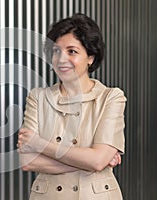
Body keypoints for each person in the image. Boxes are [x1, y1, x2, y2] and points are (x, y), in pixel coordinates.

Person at [17, 13, 126, 200]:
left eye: (72, 51)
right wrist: (90, 162)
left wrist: (39, 144)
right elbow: (28, 161)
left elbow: (98, 160)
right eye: (56, 51)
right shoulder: (38, 97)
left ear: (90, 57)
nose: (61, 59)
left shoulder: (110, 97)